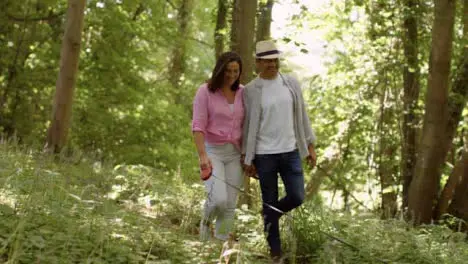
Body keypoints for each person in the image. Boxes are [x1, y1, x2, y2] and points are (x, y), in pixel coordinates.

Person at [242, 40, 317, 262]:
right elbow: (246, 127)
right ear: (258, 62)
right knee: (269, 198)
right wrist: (247, 158)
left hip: (291, 150)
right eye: (267, 61)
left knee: (296, 196)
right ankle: (275, 253)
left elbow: (302, 116)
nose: (272, 64)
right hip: (264, 155)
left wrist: (310, 146)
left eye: (275, 60)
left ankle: (269, 214)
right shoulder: (250, 90)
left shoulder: (290, 84)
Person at [192, 51, 245, 242]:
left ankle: (221, 245)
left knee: (230, 205)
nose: (231, 75)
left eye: (236, 71)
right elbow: (198, 126)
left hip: (235, 155)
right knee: (218, 199)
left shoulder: (243, 93)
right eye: (228, 71)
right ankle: (205, 226)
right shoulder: (205, 91)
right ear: (220, 70)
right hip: (213, 151)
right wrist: (202, 155)